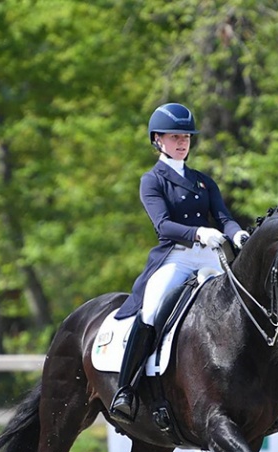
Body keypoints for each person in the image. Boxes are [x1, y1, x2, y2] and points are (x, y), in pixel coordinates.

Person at [109, 102, 249, 422]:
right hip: (176, 258)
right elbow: (163, 225)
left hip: (209, 258)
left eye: (186, 136)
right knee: (151, 310)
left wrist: (238, 234)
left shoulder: (203, 181)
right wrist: (199, 232)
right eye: (175, 137)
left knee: (245, 308)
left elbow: (224, 217)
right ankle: (126, 390)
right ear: (157, 139)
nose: (182, 142)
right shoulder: (152, 180)